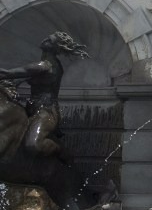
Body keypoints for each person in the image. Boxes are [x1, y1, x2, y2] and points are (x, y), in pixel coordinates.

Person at [0, 32, 89, 162]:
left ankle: (60, 151)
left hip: (46, 111)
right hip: (30, 107)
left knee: (33, 145)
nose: (45, 40)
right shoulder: (44, 65)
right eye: (47, 38)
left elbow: (8, 73)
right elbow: (22, 78)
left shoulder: (46, 66)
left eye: (49, 41)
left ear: (56, 48)